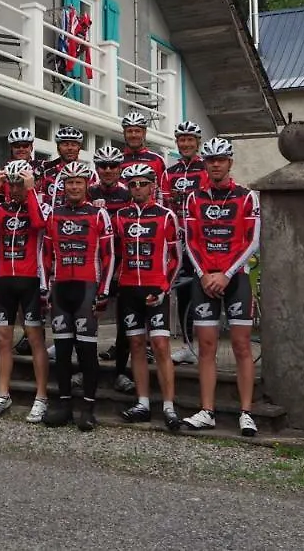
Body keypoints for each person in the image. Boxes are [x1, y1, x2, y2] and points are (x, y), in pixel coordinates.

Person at [180, 137, 261, 437]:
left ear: (230, 162)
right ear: (205, 163)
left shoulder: (247, 197)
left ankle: (246, 413)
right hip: (205, 279)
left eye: (221, 159)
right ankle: (207, 411)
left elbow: (252, 240)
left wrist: (226, 274)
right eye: (210, 160)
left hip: (235, 278)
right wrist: (203, 274)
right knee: (206, 347)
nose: (215, 164)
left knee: (241, 346)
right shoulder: (193, 198)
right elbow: (190, 240)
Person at [41, 160, 115, 432]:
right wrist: (44, 288)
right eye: (69, 182)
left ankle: (88, 408)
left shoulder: (98, 214)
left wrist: (104, 291)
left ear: (87, 185)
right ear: (63, 186)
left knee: (86, 351)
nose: (73, 187)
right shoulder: (54, 214)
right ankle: (63, 405)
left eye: (78, 182)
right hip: (61, 289)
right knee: (61, 351)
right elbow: (45, 255)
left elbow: (109, 256)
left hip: (86, 289)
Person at [0, 159, 51, 422]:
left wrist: (31, 191)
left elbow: (39, 224)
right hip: (5, 282)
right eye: (12, 183)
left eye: (20, 183)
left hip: (31, 280)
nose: (15, 188)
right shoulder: (1, 208)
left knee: (35, 340)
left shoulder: (40, 205)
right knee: (2, 339)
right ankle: (3, 393)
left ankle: (41, 396)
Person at [113, 163, 182, 431]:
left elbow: (176, 258)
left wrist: (164, 288)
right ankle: (142, 403)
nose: (138, 188)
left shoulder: (166, 216)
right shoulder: (121, 216)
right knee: (137, 346)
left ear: (152, 185)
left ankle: (169, 406)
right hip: (129, 288)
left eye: (143, 183)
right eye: (132, 184)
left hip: (156, 288)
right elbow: (116, 253)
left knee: (161, 346)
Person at [89, 144, 137, 394]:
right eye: (103, 166)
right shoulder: (87, 191)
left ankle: (120, 372)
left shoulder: (129, 193)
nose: (108, 170)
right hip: (94, 263)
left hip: (122, 263)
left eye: (113, 166)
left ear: (121, 168)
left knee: (124, 321)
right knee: (88, 319)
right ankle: (86, 369)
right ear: (96, 169)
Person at [161, 120, 209, 364]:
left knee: (204, 291)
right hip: (179, 241)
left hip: (204, 240)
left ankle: (205, 346)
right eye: (182, 139)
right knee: (183, 292)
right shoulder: (169, 172)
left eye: (190, 139)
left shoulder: (207, 168)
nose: (186, 143)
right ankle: (188, 346)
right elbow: (166, 207)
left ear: (197, 143)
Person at [37, 125, 88, 207]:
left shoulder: (88, 174)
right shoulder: (46, 174)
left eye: (73, 144)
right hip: (54, 218)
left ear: (79, 148)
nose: (70, 148)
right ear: (58, 148)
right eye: (65, 144)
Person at [119, 110, 167, 192]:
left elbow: (164, 190)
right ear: (124, 133)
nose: (133, 135)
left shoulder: (157, 160)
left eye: (137, 131)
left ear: (144, 133)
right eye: (130, 131)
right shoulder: (117, 160)